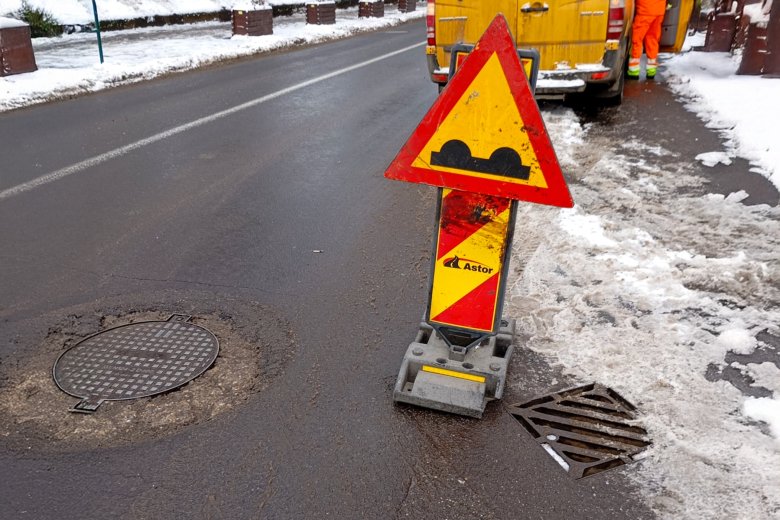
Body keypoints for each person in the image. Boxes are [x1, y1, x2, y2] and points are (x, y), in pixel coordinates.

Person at [628, 0, 668, 79]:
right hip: (659, 11)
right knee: (652, 39)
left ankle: (633, 71)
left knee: (637, 39)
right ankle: (651, 70)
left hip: (645, 10)